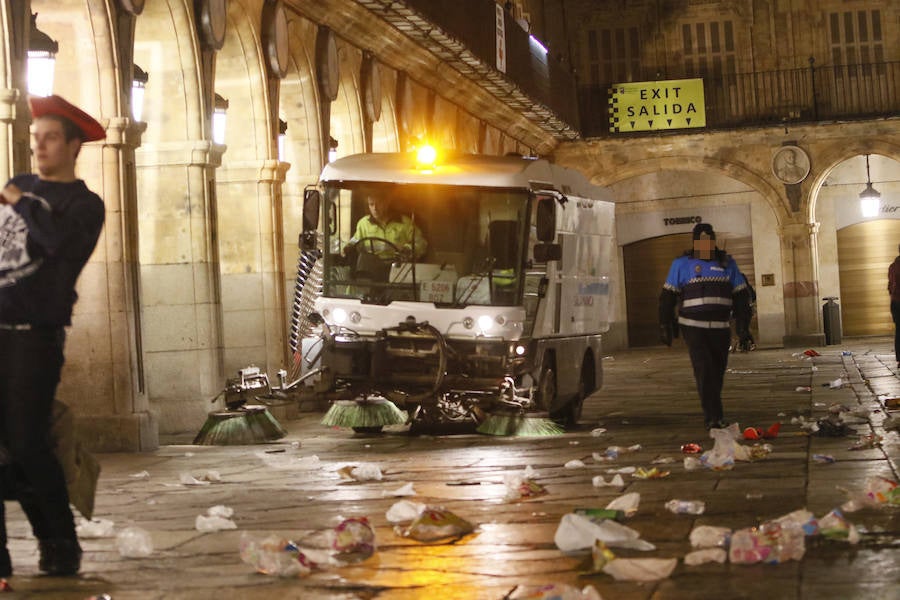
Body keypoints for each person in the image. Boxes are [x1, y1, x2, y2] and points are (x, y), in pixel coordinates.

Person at [0, 95, 106, 578]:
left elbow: (58, 247)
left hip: (34, 336)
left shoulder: (84, 205)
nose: (38, 147)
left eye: (49, 139)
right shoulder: (19, 186)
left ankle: (59, 541)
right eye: (34, 139)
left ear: (73, 145)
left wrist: (21, 202)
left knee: (26, 440)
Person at [658, 223, 752, 430]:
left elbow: (741, 296)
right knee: (704, 369)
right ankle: (714, 417)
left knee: (717, 370)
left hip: (720, 327)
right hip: (693, 327)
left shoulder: (728, 264)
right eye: (700, 240)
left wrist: (744, 328)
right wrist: (666, 324)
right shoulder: (681, 264)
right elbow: (667, 296)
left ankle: (713, 410)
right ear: (694, 242)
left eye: (708, 240)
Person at [345, 194, 427, 260]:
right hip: (370, 268)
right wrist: (348, 247)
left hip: (398, 269)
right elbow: (355, 240)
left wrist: (407, 249)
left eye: (378, 204)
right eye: (371, 204)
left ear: (387, 202)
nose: (375, 208)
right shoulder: (363, 223)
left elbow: (421, 243)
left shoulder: (405, 223)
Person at [888, 244, 900, 369]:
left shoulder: (892, 266)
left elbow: (890, 286)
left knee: (899, 330)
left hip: (895, 303)